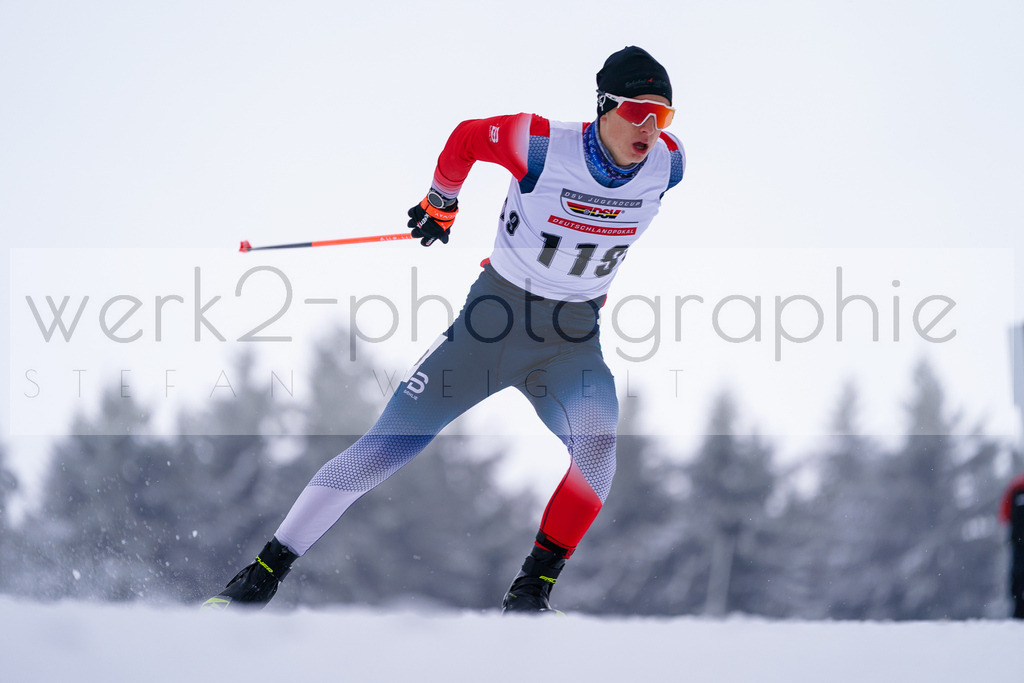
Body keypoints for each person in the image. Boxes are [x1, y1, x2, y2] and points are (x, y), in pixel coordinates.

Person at [202, 46, 685, 614]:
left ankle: (531, 593)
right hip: (492, 327)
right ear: (604, 106)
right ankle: (262, 573)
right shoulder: (538, 142)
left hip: (571, 344)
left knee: (599, 453)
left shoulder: (669, 164)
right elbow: (467, 138)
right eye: (636, 111)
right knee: (384, 449)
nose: (650, 128)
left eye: (663, 115)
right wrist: (441, 200)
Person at [999, 472, 1024, 619]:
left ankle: (1019, 609)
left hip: (1018, 541)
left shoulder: (1015, 486)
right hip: (1018, 540)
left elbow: (1004, 515)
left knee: (1018, 573)